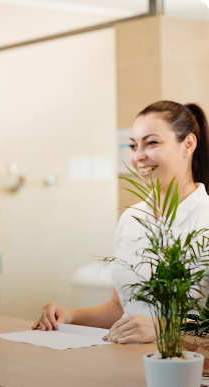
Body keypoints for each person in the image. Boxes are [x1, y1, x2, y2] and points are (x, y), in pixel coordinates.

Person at [33, 101, 209, 344]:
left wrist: (164, 327)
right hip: (122, 363)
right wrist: (70, 315)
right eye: (133, 145)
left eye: (152, 143)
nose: (138, 156)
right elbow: (120, 307)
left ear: (188, 144)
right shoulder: (132, 218)